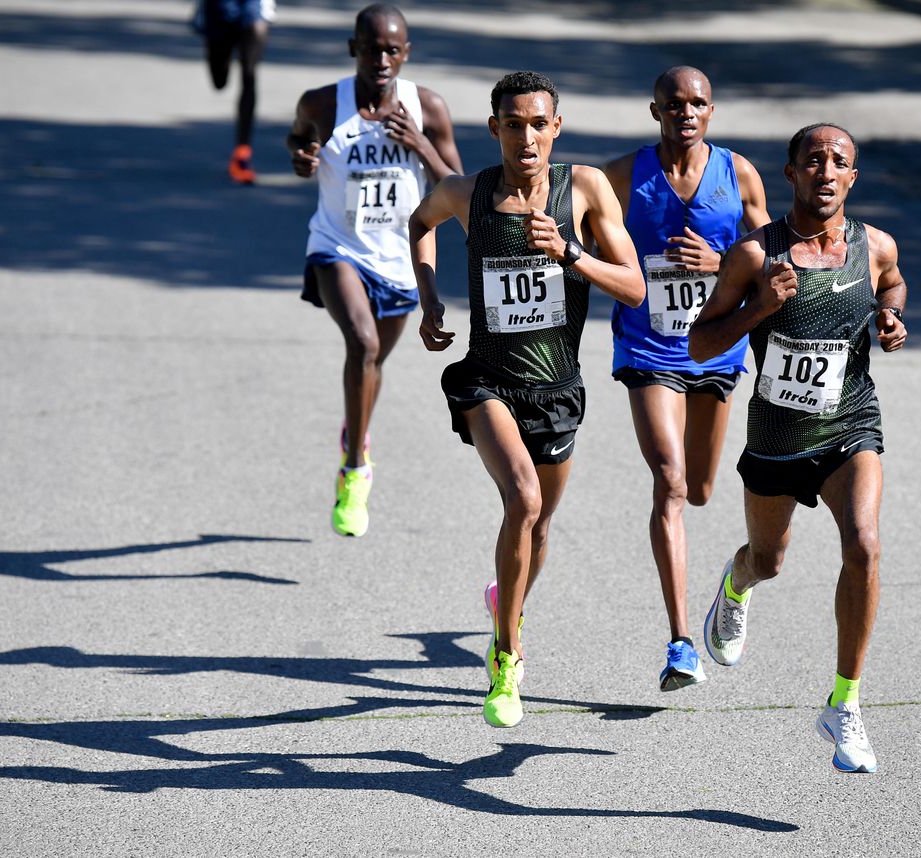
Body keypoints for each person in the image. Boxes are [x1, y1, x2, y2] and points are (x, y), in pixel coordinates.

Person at [410, 71, 646, 728]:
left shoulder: (587, 189)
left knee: (539, 528)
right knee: (524, 499)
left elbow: (633, 288)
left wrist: (571, 253)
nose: (527, 136)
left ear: (556, 128)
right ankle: (507, 657)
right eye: (513, 124)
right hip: (487, 381)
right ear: (496, 130)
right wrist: (429, 297)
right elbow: (418, 223)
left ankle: (505, 602)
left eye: (539, 123)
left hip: (557, 390)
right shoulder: (467, 192)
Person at [689, 123, 908, 772]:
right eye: (812, 160)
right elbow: (701, 345)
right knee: (769, 560)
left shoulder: (875, 247)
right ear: (791, 174)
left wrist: (894, 317)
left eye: (838, 161)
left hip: (849, 427)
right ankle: (736, 586)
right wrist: (760, 308)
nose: (825, 170)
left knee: (864, 545)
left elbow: (892, 283)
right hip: (778, 441)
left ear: (851, 179)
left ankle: (844, 703)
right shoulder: (756, 255)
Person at [603, 66, 770, 693]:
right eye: (674, 104)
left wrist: (721, 261)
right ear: (656, 111)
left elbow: (772, 257)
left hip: (716, 351)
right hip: (647, 346)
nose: (687, 113)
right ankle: (679, 645)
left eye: (698, 103)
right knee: (669, 481)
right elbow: (580, 229)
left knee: (700, 488)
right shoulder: (624, 175)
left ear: (712, 110)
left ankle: (729, 585)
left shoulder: (740, 174)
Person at [287, 4, 462, 537]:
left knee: (373, 363)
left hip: (399, 257)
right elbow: (298, 137)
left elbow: (457, 186)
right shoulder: (323, 102)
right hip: (336, 246)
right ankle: (355, 469)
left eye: (392, 49)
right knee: (362, 346)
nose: (381, 59)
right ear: (353, 49)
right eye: (371, 48)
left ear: (406, 53)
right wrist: (303, 155)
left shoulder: (426, 106)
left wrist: (419, 142)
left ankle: (354, 431)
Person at [192, 0, 276, 183]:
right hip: (219, 6)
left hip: (252, 6)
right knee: (219, 80)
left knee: (249, 75)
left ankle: (242, 154)